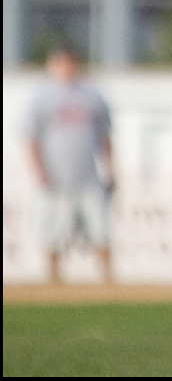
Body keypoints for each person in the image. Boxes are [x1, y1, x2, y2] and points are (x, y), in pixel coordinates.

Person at [24, 45, 114, 284]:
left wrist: (110, 168)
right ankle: (53, 283)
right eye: (61, 63)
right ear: (51, 65)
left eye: (70, 63)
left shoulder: (92, 97)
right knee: (53, 233)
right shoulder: (41, 98)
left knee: (101, 231)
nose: (66, 68)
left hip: (89, 177)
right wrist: (38, 171)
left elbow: (105, 136)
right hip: (55, 178)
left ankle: (108, 284)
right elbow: (30, 138)